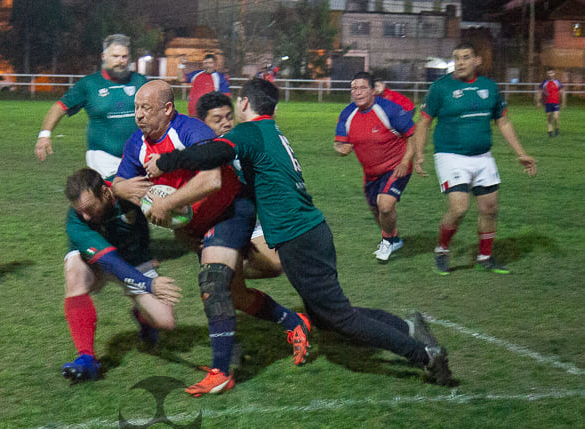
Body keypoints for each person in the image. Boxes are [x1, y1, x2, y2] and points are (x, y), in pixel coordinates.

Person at [145, 78, 452, 386]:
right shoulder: (269, 131)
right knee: (324, 316)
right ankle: (410, 327)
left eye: (236, 104)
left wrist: (166, 162)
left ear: (245, 104)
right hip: (306, 233)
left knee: (340, 318)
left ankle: (425, 355)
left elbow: (210, 154)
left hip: (300, 237)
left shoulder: (251, 131)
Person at [115, 80, 311, 396]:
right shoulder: (135, 144)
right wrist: (120, 188)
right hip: (198, 223)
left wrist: (167, 203)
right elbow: (121, 183)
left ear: (167, 109)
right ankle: (294, 322)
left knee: (213, 282)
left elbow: (212, 179)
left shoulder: (190, 131)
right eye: (136, 108)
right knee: (236, 296)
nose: (138, 115)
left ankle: (221, 372)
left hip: (231, 210)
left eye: (146, 108)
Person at [414, 42, 537, 276]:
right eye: (456, 58)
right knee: (459, 209)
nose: (460, 62)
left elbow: (502, 120)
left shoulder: (489, 87)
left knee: (490, 208)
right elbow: (424, 121)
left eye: (466, 57)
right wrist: (419, 154)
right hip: (450, 155)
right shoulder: (441, 88)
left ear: (477, 61)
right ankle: (442, 249)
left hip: (483, 156)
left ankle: (485, 257)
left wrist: (521, 153)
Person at [61, 168, 182, 382]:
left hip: (134, 260)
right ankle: (87, 359)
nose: (86, 216)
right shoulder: (76, 221)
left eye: (89, 208)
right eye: (81, 211)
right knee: (73, 273)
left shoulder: (129, 188)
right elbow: (110, 262)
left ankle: (143, 317)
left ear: (105, 194)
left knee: (166, 322)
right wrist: (148, 285)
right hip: (97, 262)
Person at [34, 34, 148, 180]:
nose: (121, 61)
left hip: (138, 156)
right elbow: (60, 107)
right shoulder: (89, 84)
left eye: (125, 57)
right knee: (116, 196)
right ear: (104, 57)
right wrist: (44, 135)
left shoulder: (140, 81)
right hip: (103, 158)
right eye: (116, 56)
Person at [196, 91, 282, 278]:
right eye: (217, 119)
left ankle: (231, 266)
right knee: (230, 285)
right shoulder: (200, 152)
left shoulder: (239, 144)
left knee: (275, 265)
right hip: (218, 222)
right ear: (202, 123)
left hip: (246, 217)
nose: (226, 123)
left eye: (229, 117)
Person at [334, 72, 417, 263]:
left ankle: (387, 242)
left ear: (372, 91)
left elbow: (412, 135)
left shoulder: (389, 110)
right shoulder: (348, 114)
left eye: (362, 88)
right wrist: (341, 149)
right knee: (376, 209)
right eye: (354, 88)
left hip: (397, 166)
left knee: (385, 206)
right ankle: (393, 238)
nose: (357, 92)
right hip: (371, 173)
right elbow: (338, 143)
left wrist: (406, 161)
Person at [177, 53, 231, 117]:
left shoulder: (220, 77)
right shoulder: (196, 74)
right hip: (193, 113)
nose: (208, 65)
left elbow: (227, 96)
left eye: (210, 63)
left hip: (209, 114)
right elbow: (181, 79)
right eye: (206, 63)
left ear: (215, 64)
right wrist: (180, 65)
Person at [538, 69, 563, 137]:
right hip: (548, 102)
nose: (550, 74)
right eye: (549, 73)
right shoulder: (545, 82)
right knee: (549, 117)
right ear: (547, 74)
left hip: (556, 102)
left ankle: (556, 131)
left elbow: (561, 91)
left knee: (556, 117)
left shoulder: (557, 82)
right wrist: (539, 101)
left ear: (554, 73)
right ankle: (550, 132)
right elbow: (540, 91)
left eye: (551, 73)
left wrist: (563, 101)